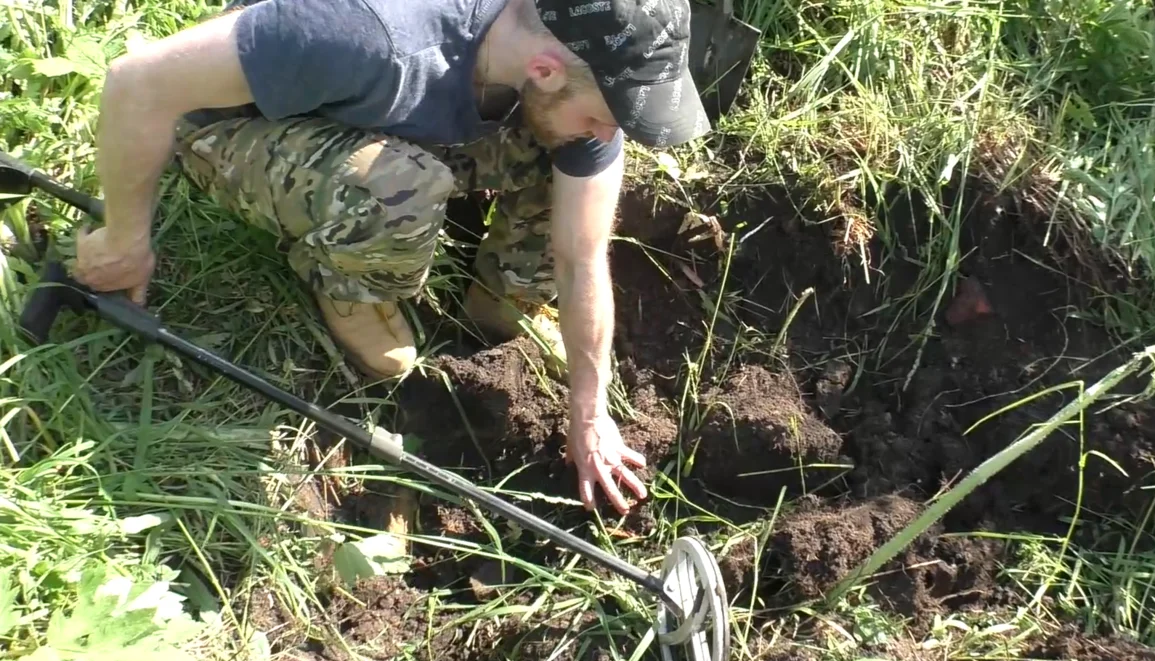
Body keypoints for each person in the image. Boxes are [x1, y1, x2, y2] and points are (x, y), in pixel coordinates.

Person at [71, 0, 712, 516]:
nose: (609, 132)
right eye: (605, 115)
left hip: (403, 114)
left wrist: (590, 413)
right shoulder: (360, 29)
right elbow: (139, 81)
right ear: (544, 68)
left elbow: (582, 253)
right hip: (246, 125)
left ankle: (502, 294)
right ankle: (354, 287)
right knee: (399, 189)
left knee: (569, 154)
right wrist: (125, 240)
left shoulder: (564, 71)